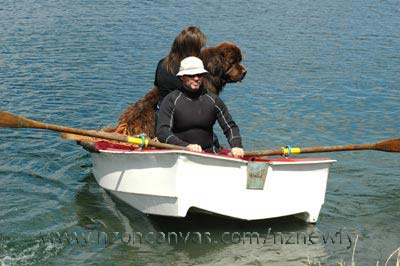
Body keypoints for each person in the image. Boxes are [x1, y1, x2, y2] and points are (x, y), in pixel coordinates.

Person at [156, 57, 244, 158]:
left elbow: (230, 126)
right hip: (179, 152)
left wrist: (236, 146)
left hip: (208, 153)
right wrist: (186, 146)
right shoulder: (171, 100)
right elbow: (162, 132)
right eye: (191, 75)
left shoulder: (213, 100)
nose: (196, 78)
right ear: (182, 77)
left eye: (199, 75)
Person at [154, 26, 207, 105]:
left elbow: (157, 88)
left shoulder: (162, 63)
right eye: (199, 48)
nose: (201, 51)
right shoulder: (189, 71)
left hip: (162, 110)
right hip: (182, 112)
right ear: (192, 49)